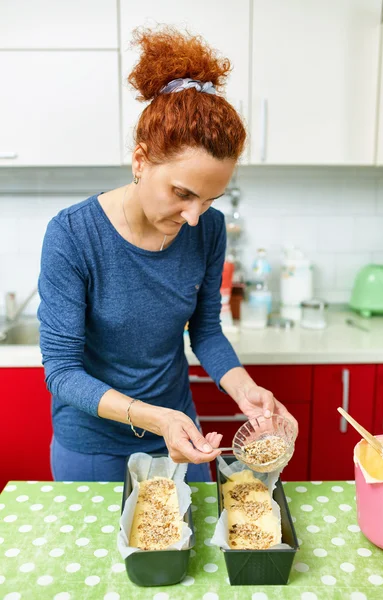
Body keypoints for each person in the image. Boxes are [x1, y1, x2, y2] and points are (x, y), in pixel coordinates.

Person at [38, 26, 298, 483]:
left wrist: (245, 388)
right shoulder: (73, 235)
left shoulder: (206, 229)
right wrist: (155, 417)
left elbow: (206, 331)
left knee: (191, 553)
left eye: (209, 201)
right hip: (93, 446)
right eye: (182, 193)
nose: (194, 217)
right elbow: (61, 372)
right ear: (140, 161)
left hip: (180, 439)